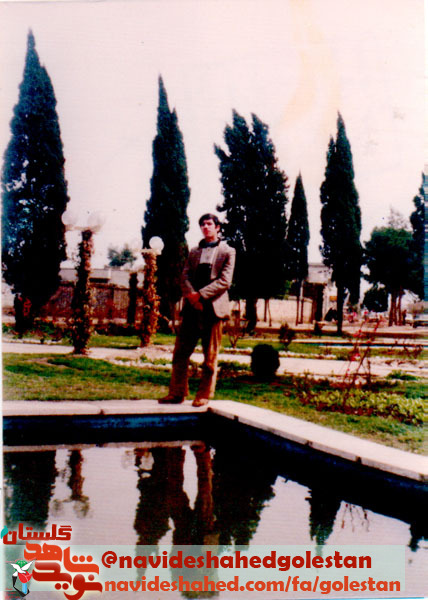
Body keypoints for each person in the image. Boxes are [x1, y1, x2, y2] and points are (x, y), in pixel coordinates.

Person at [159, 213, 235, 407]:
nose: (205, 227)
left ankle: (204, 394)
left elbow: (225, 281)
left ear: (217, 227)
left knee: (210, 356)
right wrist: (193, 297)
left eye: (209, 224)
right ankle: (177, 393)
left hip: (213, 310)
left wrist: (201, 295)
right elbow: (184, 277)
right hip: (192, 309)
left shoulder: (228, 251)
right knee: (180, 353)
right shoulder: (194, 251)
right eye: (202, 224)